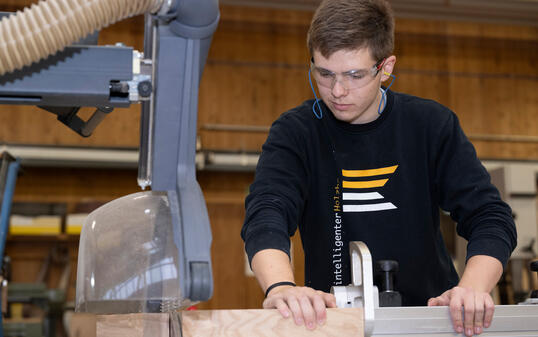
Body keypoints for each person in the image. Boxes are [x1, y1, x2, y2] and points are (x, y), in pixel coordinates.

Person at [240, 0, 517, 336]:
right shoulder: (296, 131)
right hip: (334, 324)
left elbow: (489, 216)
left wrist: (471, 289)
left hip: (431, 322)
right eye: (324, 73)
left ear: (386, 67)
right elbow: (267, 213)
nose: (337, 91)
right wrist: (281, 288)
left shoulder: (430, 125)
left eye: (354, 75)